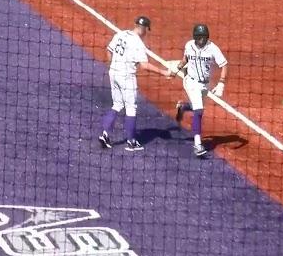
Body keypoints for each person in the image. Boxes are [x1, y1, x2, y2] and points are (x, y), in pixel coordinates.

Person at [98, 16, 171, 151]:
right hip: (126, 77)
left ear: (135, 24)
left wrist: (113, 66)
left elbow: (109, 51)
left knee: (117, 104)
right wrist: (164, 72)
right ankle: (131, 142)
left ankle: (105, 134)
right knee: (131, 108)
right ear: (145, 30)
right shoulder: (138, 43)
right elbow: (144, 65)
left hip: (113, 73)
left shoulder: (121, 34)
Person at [170, 23, 228, 157]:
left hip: (205, 85)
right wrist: (176, 69)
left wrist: (221, 83)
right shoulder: (189, 45)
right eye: (199, 37)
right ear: (195, 37)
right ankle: (197, 144)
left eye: (204, 37)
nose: (201, 40)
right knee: (199, 111)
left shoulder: (213, 48)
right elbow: (185, 59)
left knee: (198, 107)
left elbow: (224, 65)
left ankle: (183, 107)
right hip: (191, 81)